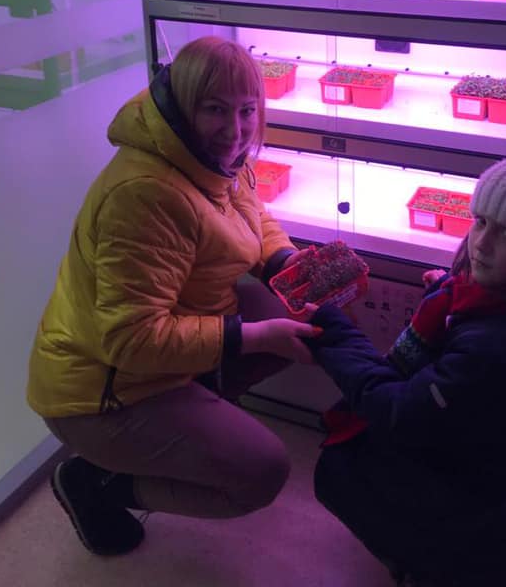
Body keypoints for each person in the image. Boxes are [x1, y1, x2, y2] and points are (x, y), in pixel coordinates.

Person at [27, 36, 319, 556]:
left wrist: (283, 260)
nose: (236, 129)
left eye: (247, 110)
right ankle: (99, 483)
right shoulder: (145, 194)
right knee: (262, 472)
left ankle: (189, 421)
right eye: (215, 109)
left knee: (283, 306)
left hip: (158, 353)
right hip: (101, 391)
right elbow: (131, 340)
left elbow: (251, 211)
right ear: (184, 104)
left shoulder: (205, 155)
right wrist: (252, 337)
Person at [305, 114, 506, 587]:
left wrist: (332, 331)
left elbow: (395, 411)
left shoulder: (496, 349)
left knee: (341, 466)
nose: (481, 244)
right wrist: (447, 300)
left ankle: (438, 569)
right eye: (481, 221)